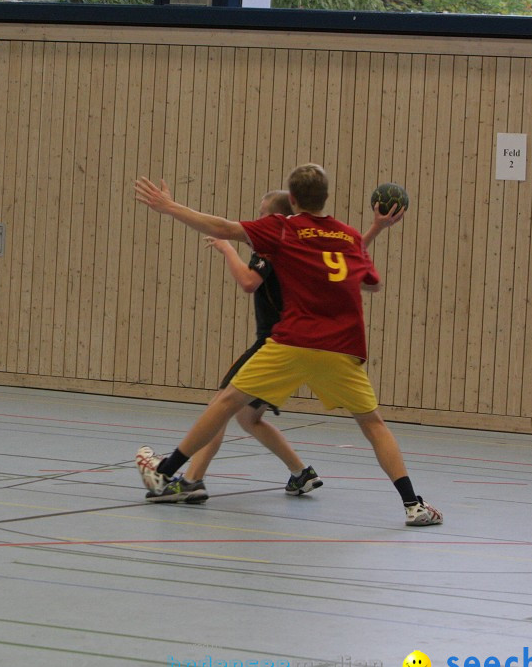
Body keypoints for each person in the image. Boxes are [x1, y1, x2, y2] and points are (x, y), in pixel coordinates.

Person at [133, 165, 441, 526]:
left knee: (226, 401)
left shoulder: (283, 227)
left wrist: (170, 207)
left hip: (293, 342)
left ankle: (167, 472)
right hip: (343, 346)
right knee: (373, 425)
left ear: (292, 200)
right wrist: (374, 231)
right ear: (325, 197)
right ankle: (413, 506)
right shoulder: (347, 236)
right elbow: (372, 286)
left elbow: (220, 226)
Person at [145, 190, 321, 504]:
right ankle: (301, 473)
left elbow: (248, 281)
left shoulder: (270, 249)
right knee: (247, 418)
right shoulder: (292, 246)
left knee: (220, 408)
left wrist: (227, 248)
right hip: (296, 347)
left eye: (261, 212)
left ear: (274, 218)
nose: (256, 218)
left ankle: (191, 479)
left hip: (273, 345)